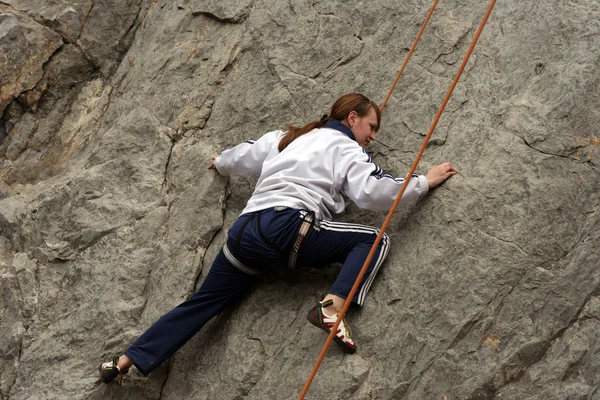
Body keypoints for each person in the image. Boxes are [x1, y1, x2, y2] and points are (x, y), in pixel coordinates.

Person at [98, 93, 457, 383]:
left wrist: (220, 162)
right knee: (375, 240)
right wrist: (424, 182)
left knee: (202, 302)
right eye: (372, 126)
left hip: (244, 233)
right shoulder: (347, 149)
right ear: (352, 119)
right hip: (287, 227)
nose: (373, 136)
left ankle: (125, 360)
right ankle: (331, 308)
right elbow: (373, 193)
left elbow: (242, 155)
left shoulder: (289, 137)